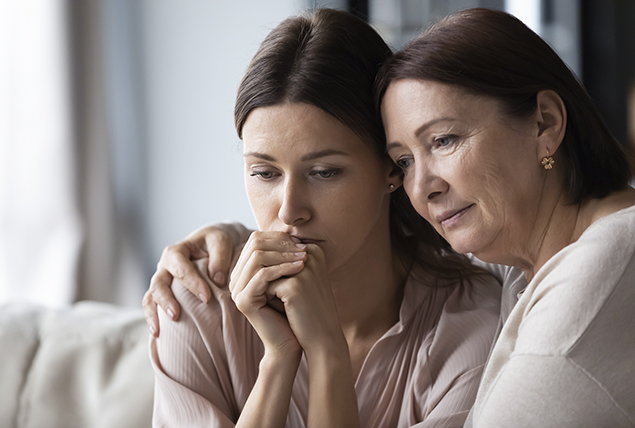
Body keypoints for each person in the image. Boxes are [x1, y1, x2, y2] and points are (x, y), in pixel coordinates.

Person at [146, 7, 635, 428]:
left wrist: (327, 356)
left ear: (545, 122)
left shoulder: (522, 316)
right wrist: (232, 245)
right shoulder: (194, 301)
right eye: (263, 172)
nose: (288, 212)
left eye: (444, 140)